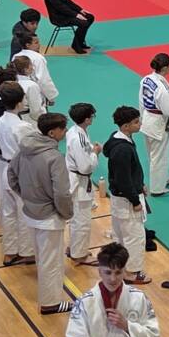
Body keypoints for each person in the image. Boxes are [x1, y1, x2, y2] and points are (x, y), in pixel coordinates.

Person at [10, 112, 73, 314]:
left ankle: (49, 298)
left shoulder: (24, 150)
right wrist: (66, 213)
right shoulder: (54, 157)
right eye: (62, 128)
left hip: (31, 212)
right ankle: (50, 302)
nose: (65, 131)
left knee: (42, 258)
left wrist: (27, 196)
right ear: (52, 133)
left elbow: (11, 176)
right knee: (51, 261)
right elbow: (61, 193)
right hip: (49, 217)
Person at [0, 80, 36, 269]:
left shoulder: (0, 120)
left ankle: (9, 251)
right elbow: (31, 150)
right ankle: (26, 251)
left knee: (8, 212)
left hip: (6, 169)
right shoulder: (22, 127)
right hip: (20, 171)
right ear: (19, 102)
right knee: (24, 212)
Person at [102, 106, 149, 275]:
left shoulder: (117, 139)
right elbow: (123, 179)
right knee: (134, 237)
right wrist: (135, 200)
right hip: (127, 200)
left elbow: (129, 172)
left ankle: (120, 267)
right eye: (136, 122)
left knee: (120, 235)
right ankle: (133, 272)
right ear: (126, 126)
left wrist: (140, 184)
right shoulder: (122, 149)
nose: (140, 124)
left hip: (120, 198)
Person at [138, 54, 169, 196]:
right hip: (158, 124)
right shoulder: (163, 89)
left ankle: (164, 178)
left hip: (147, 119)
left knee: (157, 154)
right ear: (165, 68)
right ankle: (157, 188)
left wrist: (141, 118)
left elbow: (141, 102)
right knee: (158, 157)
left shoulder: (146, 79)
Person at [63, 102, 99, 264]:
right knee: (82, 220)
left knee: (77, 218)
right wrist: (95, 153)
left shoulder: (74, 131)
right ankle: (79, 255)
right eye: (92, 116)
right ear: (87, 119)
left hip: (74, 178)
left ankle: (74, 248)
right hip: (79, 182)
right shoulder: (78, 137)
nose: (93, 118)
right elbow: (85, 167)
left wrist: (91, 150)